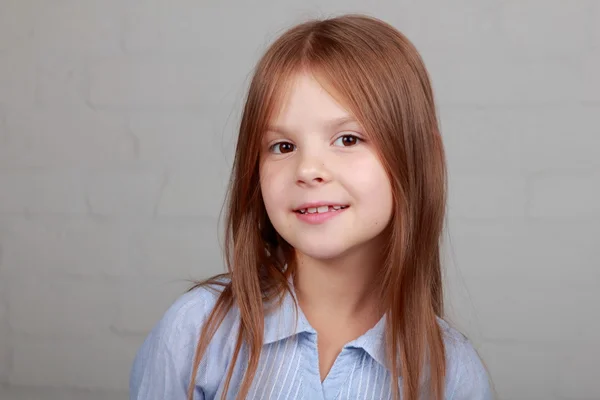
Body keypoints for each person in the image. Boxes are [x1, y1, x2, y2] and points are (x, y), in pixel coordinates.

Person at [129, 13, 493, 400]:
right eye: (283, 146)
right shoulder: (197, 332)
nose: (308, 170)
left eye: (348, 139)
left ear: (420, 156)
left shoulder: (452, 373)